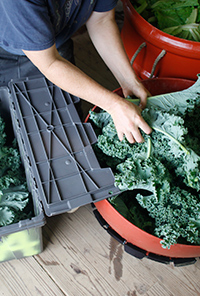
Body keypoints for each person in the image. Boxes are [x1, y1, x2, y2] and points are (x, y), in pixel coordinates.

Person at [0, 0, 152, 143]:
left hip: (54, 38)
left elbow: (101, 21)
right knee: (20, 126)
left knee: (68, 119)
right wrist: (113, 105)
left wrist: (128, 80)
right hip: (9, 51)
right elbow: (50, 62)